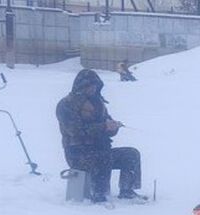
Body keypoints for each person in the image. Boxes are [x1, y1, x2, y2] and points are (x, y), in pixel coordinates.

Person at [56, 69, 144, 203]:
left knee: (131, 154)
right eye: (90, 86)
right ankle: (100, 195)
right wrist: (103, 126)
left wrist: (113, 127)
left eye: (95, 86)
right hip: (78, 154)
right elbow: (75, 131)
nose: (93, 89)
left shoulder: (98, 103)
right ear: (81, 86)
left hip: (100, 150)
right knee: (103, 157)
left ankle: (127, 191)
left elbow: (106, 125)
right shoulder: (66, 105)